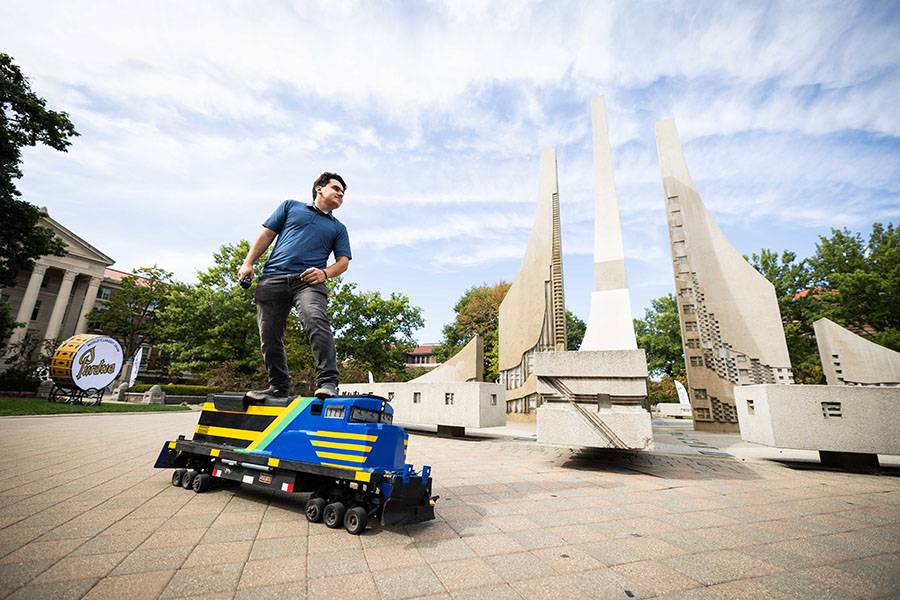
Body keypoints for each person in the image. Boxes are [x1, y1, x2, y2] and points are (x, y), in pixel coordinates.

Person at [237, 172, 351, 400]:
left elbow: (343, 262)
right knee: (268, 336)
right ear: (319, 188)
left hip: (308, 282)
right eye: (336, 188)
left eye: (343, 192)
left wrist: (324, 273)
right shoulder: (291, 207)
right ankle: (278, 386)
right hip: (272, 279)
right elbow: (267, 234)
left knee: (315, 319)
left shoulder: (338, 228)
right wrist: (248, 262)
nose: (341, 194)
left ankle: (328, 382)